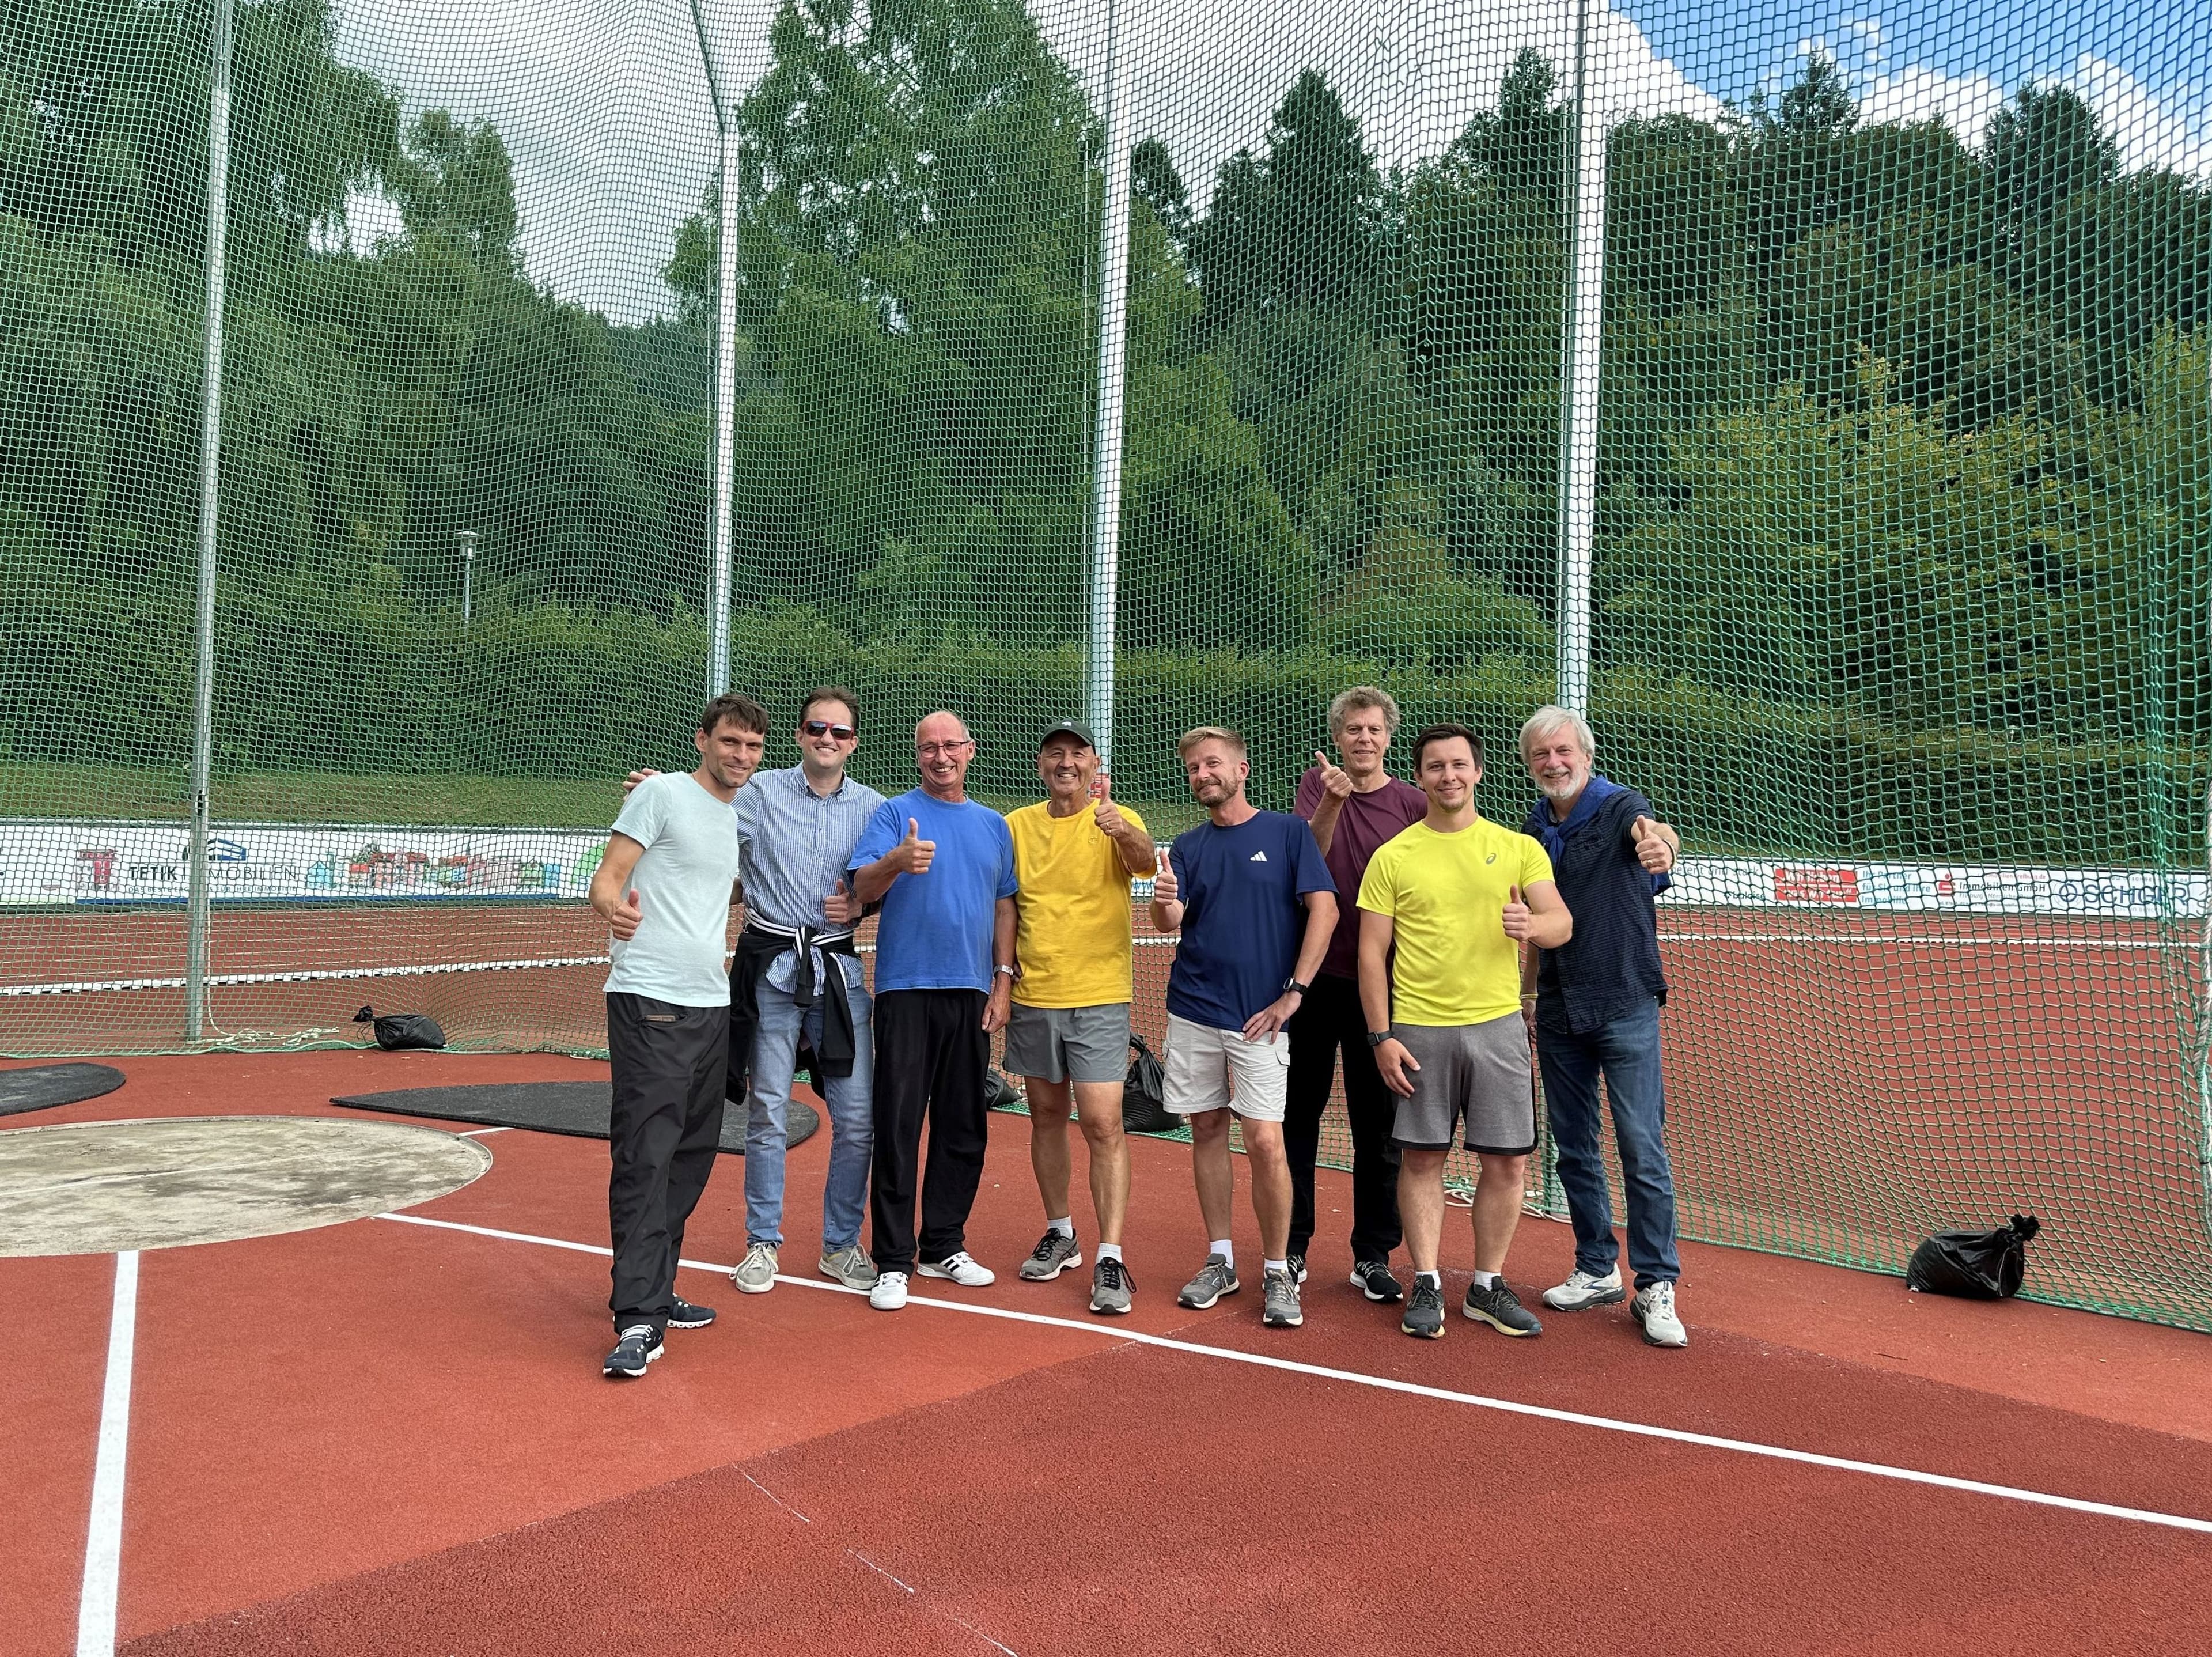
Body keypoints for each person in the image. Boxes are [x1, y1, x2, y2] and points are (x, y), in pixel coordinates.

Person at [1358, 724, 1571, 1342]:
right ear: (1419, 775)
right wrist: (1381, 1035)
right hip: (1419, 1028)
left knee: (1507, 1163)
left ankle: (1486, 1284)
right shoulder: (1394, 854)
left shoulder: (1517, 848)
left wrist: (1531, 922)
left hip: (1498, 1026)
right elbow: (1373, 954)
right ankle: (1425, 1279)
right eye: (1435, 766)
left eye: (1459, 764)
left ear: (1477, 771)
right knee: (1422, 1157)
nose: (1448, 775)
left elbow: (1561, 922)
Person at [588, 692, 768, 1379]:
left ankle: (653, 1286)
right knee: (646, 1152)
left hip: (710, 1002)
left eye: (752, 746)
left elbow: (708, 889)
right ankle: (637, 1316)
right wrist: (614, 910)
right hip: (649, 999)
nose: (741, 756)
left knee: (691, 1154)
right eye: (730, 742)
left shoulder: (732, 819)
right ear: (703, 740)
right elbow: (608, 878)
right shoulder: (660, 794)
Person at [1149, 727, 1336, 1330]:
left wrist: (1295, 992)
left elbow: (1325, 910)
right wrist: (1164, 898)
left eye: (1212, 763)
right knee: (1205, 1126)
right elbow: (1171, 918)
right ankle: (1221, 1258)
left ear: (1242, 768)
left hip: (1261, 1018)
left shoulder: (1287, 833)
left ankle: (1279, 1268)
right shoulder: (1186, 844)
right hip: (1194, 1007)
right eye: (1193, 768)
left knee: (1264, 1140)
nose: (1202, 773)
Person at [1518, 704, 1690, 1348]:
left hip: (1624, 1001)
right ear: (1530, 764)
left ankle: (1655, 1283)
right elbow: (1537, 918)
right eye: (1542, 754)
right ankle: (1596, 1266)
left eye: (1564, 751)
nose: (1555, 763)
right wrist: (1529, 993)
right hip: (1560, 1006)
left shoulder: (1623, 809)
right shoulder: (1534, 828)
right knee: (1575, 1147)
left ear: (1586, 756)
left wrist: (1661, 846)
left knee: (1642, 1145)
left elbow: (1659, 835)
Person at [848, 711, 1019, 1312]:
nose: (940, 755)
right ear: (917, 754)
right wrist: (898, 859)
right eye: (929, 747)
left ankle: (943, 1244)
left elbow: (1005, 909)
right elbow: (861, 891)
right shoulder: (895, 814)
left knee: (963, 1123)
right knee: (897, 1123)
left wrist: (1002, 983)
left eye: (950, 745)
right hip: (905, 989)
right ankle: (893, 1260)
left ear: (971, 751)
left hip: (971, 993)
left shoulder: (995, 825)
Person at [722, 688, 887, 1296]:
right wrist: (661, 793)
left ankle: (841, 1245)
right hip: (771, 971)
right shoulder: (760, 792)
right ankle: (762, 1242)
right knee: (767, 1109)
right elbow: (709, 822)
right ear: (799, 734)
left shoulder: (876, 807)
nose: (828, 738)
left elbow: (889, 879)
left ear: (854, 743)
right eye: (818, 727)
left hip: (839, 973)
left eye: (840, 732)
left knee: (857, 1118)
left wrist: (866, 900)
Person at [1005, 721, 1156, 1315]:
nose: (1066, 762)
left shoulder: (1118, 819)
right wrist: (1001, 972)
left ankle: (1111, 1254)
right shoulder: (1017, 825)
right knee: (1044, 1112)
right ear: (1042, 764)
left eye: (1077, 754)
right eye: (1055, 754)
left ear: (1094, 764)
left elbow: (1143, 866)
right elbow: (1005, 903)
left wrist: (1121, 829)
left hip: (1097, 994)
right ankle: (1062, 1232)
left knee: (1101, 1121)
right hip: (1034, 994)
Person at [1288, 686, 1427, 1304]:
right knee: (1298, 1118)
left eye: (1373, 729)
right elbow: (1308, 859)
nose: (1363, 738)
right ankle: (1290, 1247)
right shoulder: (1318, 787)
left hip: (1386, 990)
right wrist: (1333, 803)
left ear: (1388, 736)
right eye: (1352, 729)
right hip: (1315, 979)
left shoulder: (1414, 803)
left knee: (1380, 1127)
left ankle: (1372, 1253)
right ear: (1338, 736)